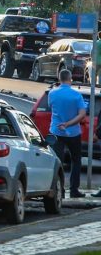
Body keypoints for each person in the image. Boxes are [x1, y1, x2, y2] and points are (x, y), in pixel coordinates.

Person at [48, 69, 87, 198]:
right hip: (73, 132)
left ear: (59, 79)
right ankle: (74, 189)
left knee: (58, 162)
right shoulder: (76, 95)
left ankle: (60, 190)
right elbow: (82, 114)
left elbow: (50, 107)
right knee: (76, 160)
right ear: (70, 79)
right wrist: (69, 123)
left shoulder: (52, 93)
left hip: (56, 131)